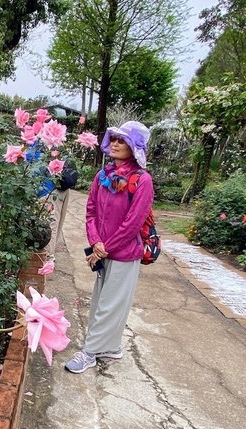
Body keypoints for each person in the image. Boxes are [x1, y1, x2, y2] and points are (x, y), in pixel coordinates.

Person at [65, 121, 153, 373]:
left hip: (124, 254)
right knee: (101, 301)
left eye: (121, 140)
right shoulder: (102, 176)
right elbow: (90, 211)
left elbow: (133, 222)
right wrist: (95, 242)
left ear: (134, 147)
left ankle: (90, 352)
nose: (114, 143)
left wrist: (105, 248)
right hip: (103, 250)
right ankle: (111, 347)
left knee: (111, 304)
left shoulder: (142, 180)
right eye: (113, 138)